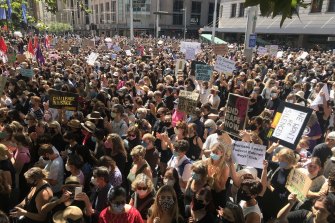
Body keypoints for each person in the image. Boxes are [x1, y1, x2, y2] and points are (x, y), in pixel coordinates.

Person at [204, 143, 230, 209]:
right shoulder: (207, 162)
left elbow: (219, 189)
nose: (214, 154)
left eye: (216, 152)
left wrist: (214, 179)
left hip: (218, 195)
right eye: (213, 152)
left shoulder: (225, 167)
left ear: (221, 153)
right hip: (207, 192)